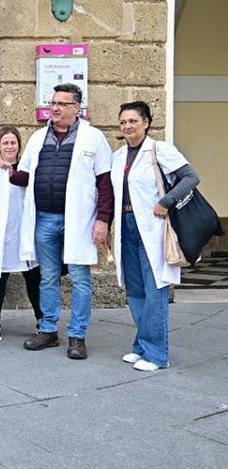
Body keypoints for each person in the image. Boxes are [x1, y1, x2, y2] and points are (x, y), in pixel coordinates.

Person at [7, 83, 113, 360]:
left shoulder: (93, 138)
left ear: (76, 108)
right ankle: (48, 329)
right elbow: (25, 175)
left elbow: (105, 183)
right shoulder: (38, 137)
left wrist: (103, 220)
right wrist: (4, 173)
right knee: (48, 278)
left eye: (61, 104)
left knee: (79, 278)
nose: (54, 108)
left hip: (78, 220)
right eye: (52, 103)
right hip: (44, 219)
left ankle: (77, 335)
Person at [112, 101, 199, 371]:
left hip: (152, 226)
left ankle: (158, 354)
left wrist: (166, 201)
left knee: (155, 288)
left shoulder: (160, 150)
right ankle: (142, 345)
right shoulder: (118, 155)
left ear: (147, 122)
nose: (127, 126)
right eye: (123, 122)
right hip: (126, 225)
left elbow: (190, 177)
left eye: (133, 121)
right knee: (135, 289)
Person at [0, 127, 42, 341]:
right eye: (5, 143)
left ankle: (41, 319)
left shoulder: (28, 170)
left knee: (33, 278)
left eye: (13, 143)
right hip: (3, 233)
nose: (10, 146)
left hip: (25, 231)